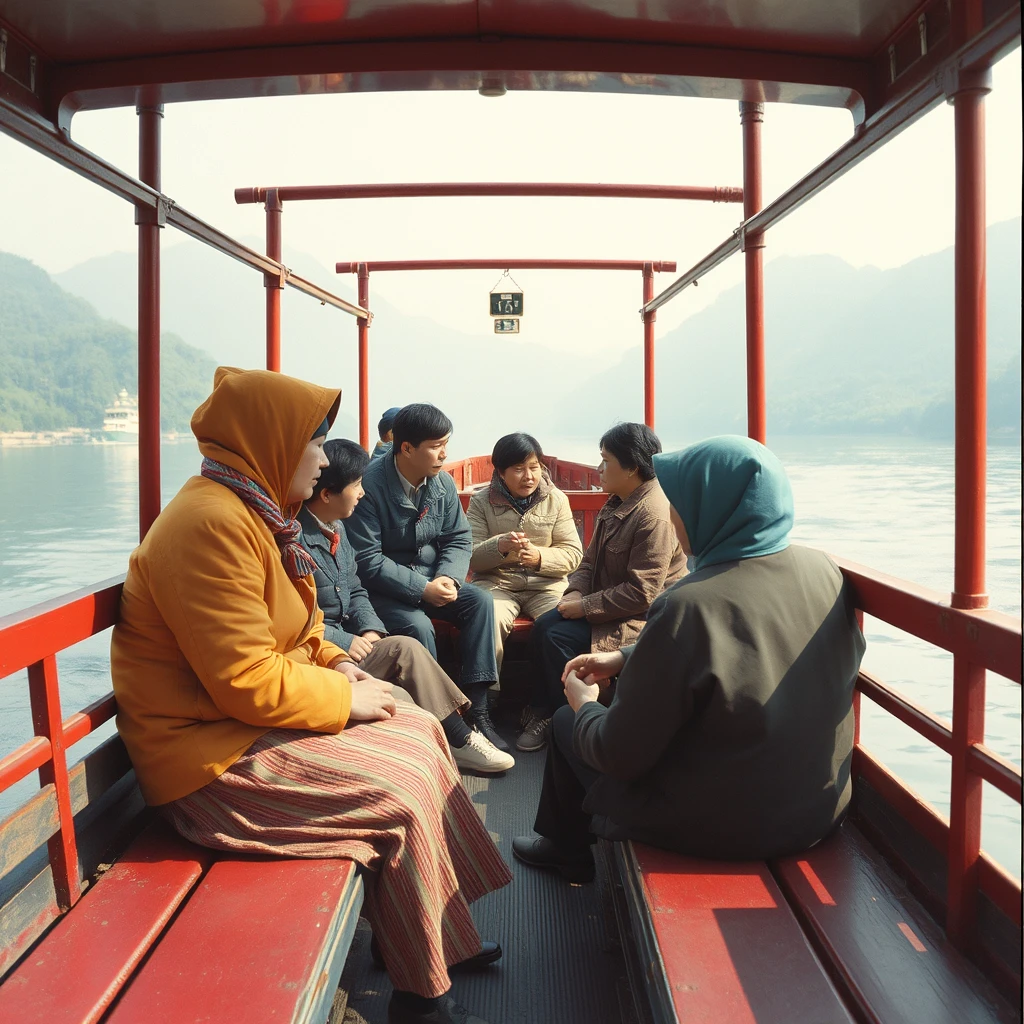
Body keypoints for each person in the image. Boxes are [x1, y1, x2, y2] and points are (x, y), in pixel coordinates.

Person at [110, 368, 510, 1024]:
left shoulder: (254, 514)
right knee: (398, 793)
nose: (326, 458)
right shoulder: (211, 526)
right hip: (205, 759)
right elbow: (245, 679)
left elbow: (294, 632)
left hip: (233, 727)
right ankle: (423, 998)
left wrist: (338, 665)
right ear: (271, 441)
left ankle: (433, 935)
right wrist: (339, 693)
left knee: (419, 728)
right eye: (315, 442)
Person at [511, 435, 867, 882]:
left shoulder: (690, 604)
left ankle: (565, 850)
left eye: (679, 503)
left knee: (569, 722)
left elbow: (616, 752)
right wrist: (625, 656)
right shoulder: (824, 570)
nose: (672, 514)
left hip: (726, 827)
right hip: (818, 808)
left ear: (709, 508)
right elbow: (741, 644)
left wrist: (584, 702)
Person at [299, 437, 513, 772]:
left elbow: (354, 588)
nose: (362, 492)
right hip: (321, 656)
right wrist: (346, 641)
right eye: (356, 485)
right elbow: (295, 621)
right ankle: (453, 739)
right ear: (327, 494)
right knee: (412, 644)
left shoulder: (335, 529)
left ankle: (472, 721)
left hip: (359, 638)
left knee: (472, 606)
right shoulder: (294, 543)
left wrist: (370, 628)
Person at [347, 403, 511, 755]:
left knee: (481, 602)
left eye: (446, 444)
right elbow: (366, 559)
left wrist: (448, 579)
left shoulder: (442, 484)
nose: (444, 454)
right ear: (406, 448)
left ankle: (478, 712)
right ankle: (438, 722)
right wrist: (422, 588)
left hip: (433, 578)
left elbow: (457, 538)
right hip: (384, 590)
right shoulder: (371, 488)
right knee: (418, 627)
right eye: (436, 446)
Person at [517, 422, 686, 753]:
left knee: (555, 635)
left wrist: (586, 606)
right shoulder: (619, 500)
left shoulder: (653, 515)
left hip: (639, 619)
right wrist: (576, 593)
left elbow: (643, 593)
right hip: (609, 606)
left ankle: (570, 714)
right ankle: (546, 708)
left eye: (606, 461)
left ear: (632, 467)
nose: (599, 469)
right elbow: (588, 562)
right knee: (546, 624)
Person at [466, 432, 583, 673]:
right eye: (519, 469)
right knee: (488, 617)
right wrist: (499, 546)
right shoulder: (481, 502)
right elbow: (470, 556)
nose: (529, 476)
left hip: (547, 586)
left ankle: (560, 696)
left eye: (534, 467)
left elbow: (572, 553)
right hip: (496, 584)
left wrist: (540, 558)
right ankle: (486, 696)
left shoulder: (556, 499)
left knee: (559, 623)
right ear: (501, 472)